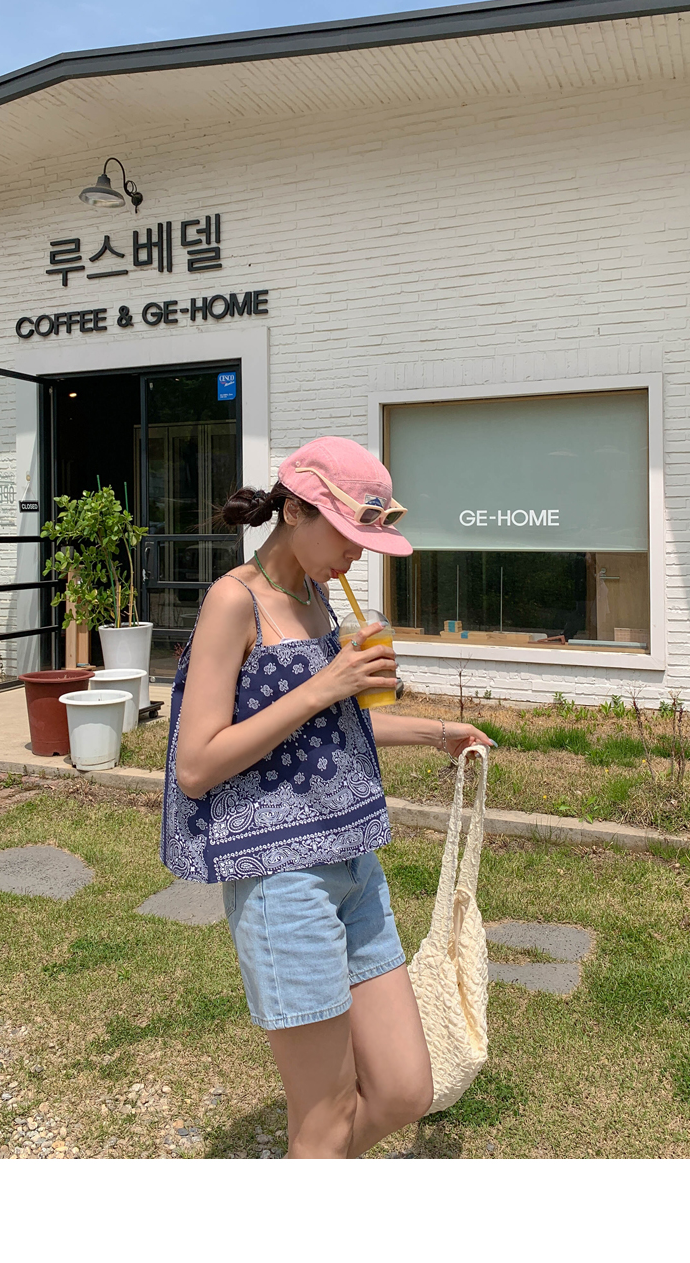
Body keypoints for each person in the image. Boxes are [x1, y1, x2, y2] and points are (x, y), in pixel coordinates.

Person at [162, 436, 493, 1159]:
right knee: (325, 1118)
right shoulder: (234, 601)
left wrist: (437, 732)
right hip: (282, 878)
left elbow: (331, 724)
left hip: (353, 863)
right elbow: (196, 764)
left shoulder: (315, 597)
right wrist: (325, 685)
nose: (355, 555)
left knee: (405, 1089)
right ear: (295, 511)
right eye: (346, 535)